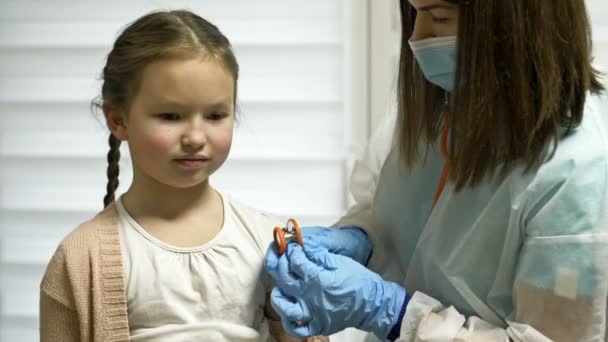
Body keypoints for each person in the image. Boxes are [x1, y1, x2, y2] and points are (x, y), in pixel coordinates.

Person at [265, 0, 608, 341]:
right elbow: (395, 211)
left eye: (439, 17)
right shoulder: (442, 102)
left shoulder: (579, 169)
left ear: (515, 22)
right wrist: (363, 240)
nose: (417, 37)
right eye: (414, 13)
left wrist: (395, 315)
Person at [39, 10, 327, 342]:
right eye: (171, 116)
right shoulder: (78, 261)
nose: (194, 136)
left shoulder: (269, 242)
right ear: (118, 119)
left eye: (215, 115)